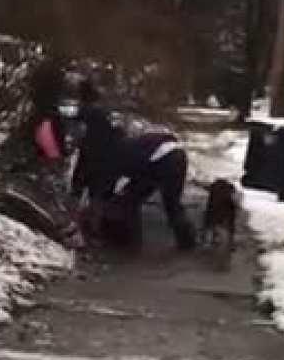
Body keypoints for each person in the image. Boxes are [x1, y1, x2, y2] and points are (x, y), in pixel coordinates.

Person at [72, 78, 196, 251]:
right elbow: (87, 171)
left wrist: (92, 206)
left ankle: (186, 245)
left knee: (170, 205)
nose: (75, 136)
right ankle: (134, 244)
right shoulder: (108, 141)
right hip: (154, 161)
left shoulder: (109, 152)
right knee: (129, 199)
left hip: (167, 159)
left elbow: (102, 185)